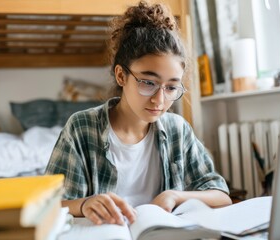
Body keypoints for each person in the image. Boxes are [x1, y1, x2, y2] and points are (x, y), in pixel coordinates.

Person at [45, 0, 231, 226]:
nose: (159, 100)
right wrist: (84, 204)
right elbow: (49, 205)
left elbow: (221, 196)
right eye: (148, 83)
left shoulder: (177, 130)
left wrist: (174, 195)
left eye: (171, 87)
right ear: (121, 76)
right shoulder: (82, 128)